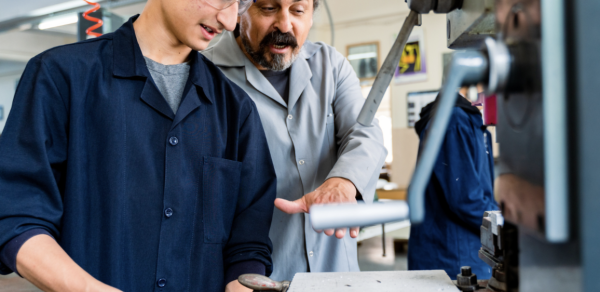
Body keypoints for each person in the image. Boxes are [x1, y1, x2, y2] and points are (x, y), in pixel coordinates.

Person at [0, 0, 276, 291]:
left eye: (241, 3)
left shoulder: (236, 108)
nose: (230, 21)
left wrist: (242, 282)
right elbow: (15, 218)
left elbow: (248, 242)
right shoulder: (60, 76)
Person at [202, 0, 387, 281]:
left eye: (298, 10)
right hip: (255, 276)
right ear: (239, 12)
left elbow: (364, 132)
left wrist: (344, 182)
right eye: (268, 8)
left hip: (336, 272)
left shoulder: (331, 65)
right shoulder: (206, 72)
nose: (285, 25)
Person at [408, 89, 498, 280]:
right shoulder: (454, 120)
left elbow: (483, 192)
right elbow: (465, 200)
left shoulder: (478, 127)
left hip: (471, 251)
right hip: (453, 257)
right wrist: (506, 226)